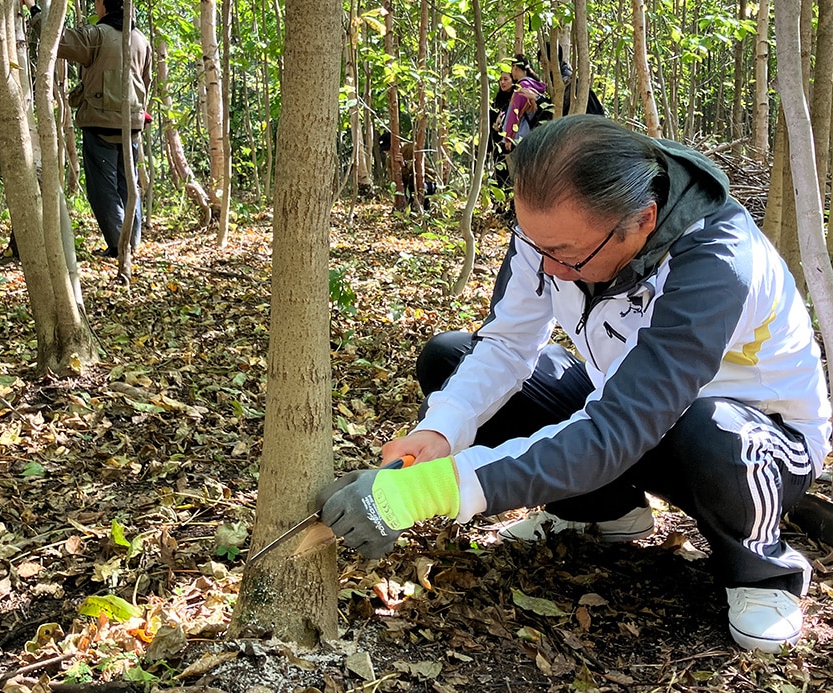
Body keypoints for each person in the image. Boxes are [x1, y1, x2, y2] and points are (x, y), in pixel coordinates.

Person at [316, 115, 832, 654]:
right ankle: (606, 511)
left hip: (756, 444)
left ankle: (761, 570)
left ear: (643, 221)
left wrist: (428, 492)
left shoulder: (718, 261)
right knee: (452, 357)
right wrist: (440, 434)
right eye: (533, 243)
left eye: (566, 253)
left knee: (708, 426)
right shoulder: (550, 237)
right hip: (626, 406)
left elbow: (619, 428)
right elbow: (507, 345)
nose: (548, 266)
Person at [22, 0, 153, 258]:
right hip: (132, 125)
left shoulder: (97, 35)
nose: (95, 5)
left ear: (105, 5)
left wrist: (34, 10)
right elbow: (146, 81)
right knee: (129, 186)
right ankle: (131, 242)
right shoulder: (141, 40)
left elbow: (58, 41)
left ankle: (120, 246)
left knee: (102, 189)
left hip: (100, 123)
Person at [500, 54, 547, 151]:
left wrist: (508, 137)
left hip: (520, 135)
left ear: (515, 67)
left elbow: (514, 113)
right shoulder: (533, 85)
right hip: (533, 132)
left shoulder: (522, 87)